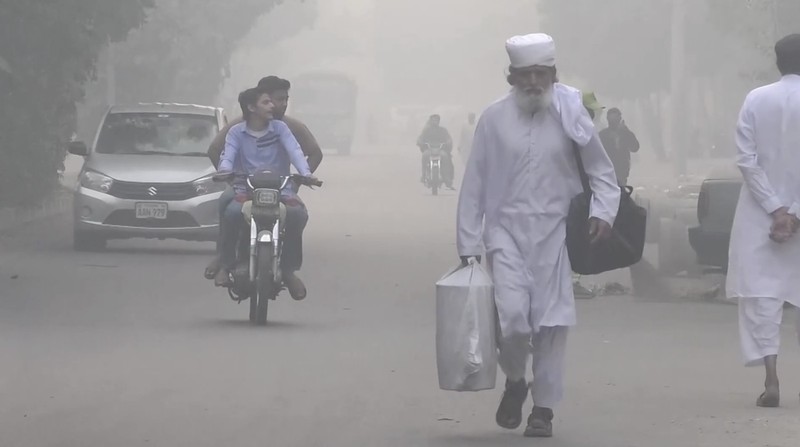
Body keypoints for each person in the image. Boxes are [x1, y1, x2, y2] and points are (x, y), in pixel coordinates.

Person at [457, 33, 620, 438]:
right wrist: (468, 243)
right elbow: (474, 181)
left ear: (552, 75)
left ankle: (543, 409)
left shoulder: (570, 115)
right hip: (505, 231)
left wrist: (603, 212)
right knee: (512, 321)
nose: (533, 82)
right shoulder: (493, 118)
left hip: (557, 232)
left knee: (551, 324)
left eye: (541, 74)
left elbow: (602, 171)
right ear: (511, 77)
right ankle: (516, 380)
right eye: (525, 75)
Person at [726, 33, 800, 408]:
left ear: (777, 62)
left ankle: (771, 377)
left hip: (760, 216)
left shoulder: (756, 99)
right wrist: (795, 211)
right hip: (795, 218)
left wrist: (776, 209)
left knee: (763, 298)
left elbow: (746, 159)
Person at [205, 76, 323, 282]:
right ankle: (224, 260)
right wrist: (228, 176)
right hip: (244, 185)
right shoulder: (237, 128)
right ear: (254, 104)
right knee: (228, 206)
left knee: (298, 215)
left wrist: (300, 179)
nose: (282, 104)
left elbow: (305, 153)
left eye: (285, 99)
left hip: (280, 186)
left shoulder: (287, 127)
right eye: (275, 99)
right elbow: (217, 150)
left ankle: (288, 270)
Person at [599, 108, 640, 186]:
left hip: (622, 170)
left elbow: (635, 147)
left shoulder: (624, 133)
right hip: (608, 170)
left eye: (616, 118)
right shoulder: (603, 135)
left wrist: (626, 131)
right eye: (612, 119)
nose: (614, 121)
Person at [417, 114, 455, 190]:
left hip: (440, 150)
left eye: (436, 120)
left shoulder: (443, 130)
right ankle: (424, 175)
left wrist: (448, 142)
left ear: (439, 121)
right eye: (433, 120)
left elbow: (448, 138)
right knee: (424, 156)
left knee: (445, 157)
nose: (435, 121)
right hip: (429, 150)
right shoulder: (426, 130)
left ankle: (447, 178)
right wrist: (420, 142)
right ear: (431, 121)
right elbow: (421, 138)